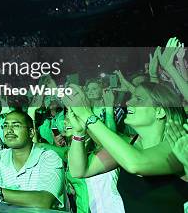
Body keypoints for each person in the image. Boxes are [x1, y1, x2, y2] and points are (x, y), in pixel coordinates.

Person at [65, 82, 187, 211]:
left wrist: (87, 115)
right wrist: (78, 133)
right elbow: (80, 170)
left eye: (139, 99)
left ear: (159, 111)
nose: (128, 102)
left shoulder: (179, 144)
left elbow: (136, 164)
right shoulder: (129, 144)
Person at [0, 110, 65, 209]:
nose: (9, 130)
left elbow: (45, 201)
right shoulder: (0, 157)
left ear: (31, 132)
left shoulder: (48, 157)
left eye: (16, 125)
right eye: (5, 126)